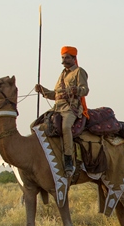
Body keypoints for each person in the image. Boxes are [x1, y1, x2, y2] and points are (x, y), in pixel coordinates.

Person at [35, 46, 89, 176]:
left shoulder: (79, 72)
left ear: (74, 58)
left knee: (65, 127)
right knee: (36, 125)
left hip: (71, 108)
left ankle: (68, 159)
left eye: (67, 57)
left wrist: (78, 90)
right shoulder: (62, 74)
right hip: (57, 108)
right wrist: (42, 90)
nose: (64, 60)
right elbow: (55, 95)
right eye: (63, 58)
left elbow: (85, 90)